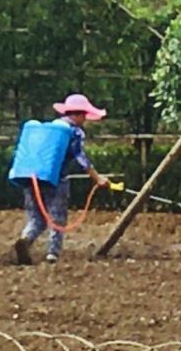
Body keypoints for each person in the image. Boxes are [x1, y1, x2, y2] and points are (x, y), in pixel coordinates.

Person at [13, 93, 111, 265]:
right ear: (79, 114)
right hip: (56, 180)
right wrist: (97, 178)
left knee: (37, 218)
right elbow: (81, 158)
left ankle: (26, 238)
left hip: (31, 177)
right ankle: (53, 253)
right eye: (85, 115)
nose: (85, 120)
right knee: (57, 217)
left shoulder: (49, 130)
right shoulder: (73, 132)